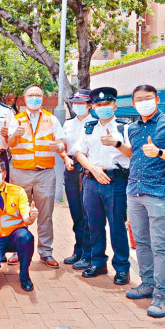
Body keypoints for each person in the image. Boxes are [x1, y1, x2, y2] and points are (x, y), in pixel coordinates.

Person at [124, 84, 165, 318]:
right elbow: (136, 154)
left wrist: (160, 152)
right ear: (133, 103)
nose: (144, 102)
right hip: (135, 191)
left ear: (157, 99)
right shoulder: (132, 128)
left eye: (148, 98)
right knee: (141, 242)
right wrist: (118, 146)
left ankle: (161, 293)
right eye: (139, 99)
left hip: (160, 193)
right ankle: (147, 283)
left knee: (160, 245)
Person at [7, 84, 71, 268]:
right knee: (19, 212)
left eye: (38, 95)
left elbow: (62, 142)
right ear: (25, 99)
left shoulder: (51, 119)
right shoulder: (16, 119)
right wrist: (15, 136)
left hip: (45, 173)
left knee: (46, 214)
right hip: (20, 172)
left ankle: (45, 252)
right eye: (31, 95)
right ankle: (18, 251)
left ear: (42, 99)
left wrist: (58, 147)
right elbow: (9, 144)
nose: (34, 98)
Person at [74, 87, 131, 286]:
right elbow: (79, 153)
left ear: (114, 105)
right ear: (93, 107)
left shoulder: (125, 128)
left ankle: (122, 267)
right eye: (98, 105)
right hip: (91, 180)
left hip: (115, 181)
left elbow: (132, 154)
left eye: (106, 104)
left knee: (117, 226)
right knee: (94, 225)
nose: (102, 108)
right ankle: (98, 262)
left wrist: (116, 143)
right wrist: (94, 169)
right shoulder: (88, 127)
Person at [0, 157, 38, 291]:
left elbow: (26, 218)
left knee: (26, 237)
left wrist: (31, 216)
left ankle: (24, 275)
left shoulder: (18, 191)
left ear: (4, 174)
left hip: (14, 236)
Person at [62, 89, 95, 269]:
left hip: (89, 168)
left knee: (88, 212)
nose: (78, 106)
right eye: (75, 103)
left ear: (90, 105)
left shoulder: (96, 123)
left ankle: (89, 254)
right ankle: (78, 250)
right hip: (71, 167)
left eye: (82, 103)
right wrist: (64, 157)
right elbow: (64, 146)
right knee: (76, 212)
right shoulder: (68, 124)